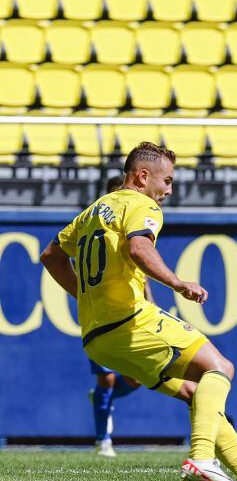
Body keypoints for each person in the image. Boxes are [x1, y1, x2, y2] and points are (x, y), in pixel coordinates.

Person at [40, 142, 237, 481]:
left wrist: (85, 295)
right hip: (130, 322)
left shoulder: (94, 210)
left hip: (96, 339)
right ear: (142, 176)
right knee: (221, 368)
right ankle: (202, 457)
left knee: (198, 392)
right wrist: (177, 282)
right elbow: (139, 247)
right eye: (167, 181)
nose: (169, 190)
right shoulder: (140, 204)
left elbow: (50, 255)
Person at [88, 174, 152, 458]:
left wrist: (151, 303)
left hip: (132, 311)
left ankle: (102, 401)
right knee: (108, 378)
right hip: (102, 313)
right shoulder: (96, 229)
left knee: (137, 378)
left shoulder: (135, 229)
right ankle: (104, 440)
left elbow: (143, 274)